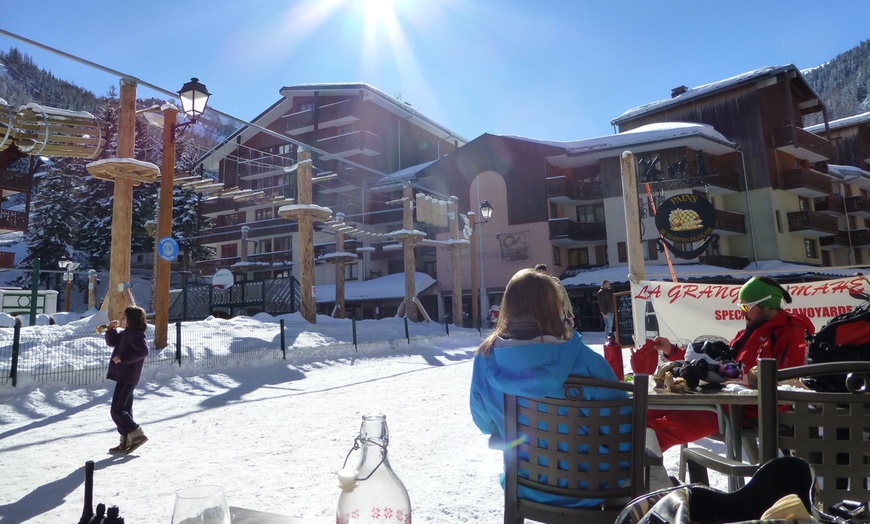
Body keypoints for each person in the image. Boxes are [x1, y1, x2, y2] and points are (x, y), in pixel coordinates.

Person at [469, 268, 624, 508]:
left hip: (525, 483)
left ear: (508, 306)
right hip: (594, 484)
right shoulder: (584, 359)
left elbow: (484, 423)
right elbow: (621, 425)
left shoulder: (486, 360)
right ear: (555, 306)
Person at [646, 276, 814, 452]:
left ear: (767, 305)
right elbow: (717, 363)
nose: (742, 312)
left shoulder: (790, 333)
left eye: (746, 307)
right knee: (643, 414)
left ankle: (646, 475)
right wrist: (671, 351)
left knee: (658, 432)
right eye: (740, 306)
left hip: (748, 410)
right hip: (721, 402)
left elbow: (788, 381)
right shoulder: (747, 333)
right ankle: (641, 474)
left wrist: (740, 378)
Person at [105, 305, 150, 453]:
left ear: (131, 320)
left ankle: (137, 433)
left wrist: (123, 359)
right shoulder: (126, 333)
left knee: (117, 410)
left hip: (128, 376)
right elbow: (112, 342)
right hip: (123, 375)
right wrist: (111, 330)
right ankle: (125, 441)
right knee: (125, 409)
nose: (121, 320)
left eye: (124, 317)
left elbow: (143, 351)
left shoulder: (136, 334)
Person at [534, 263, 575, 327]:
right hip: (551, 315)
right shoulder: (554, 281)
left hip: (551, 315)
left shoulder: (554, 281)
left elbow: (564, 297)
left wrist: (569, 315)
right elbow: (564, 297)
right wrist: (569, 315)